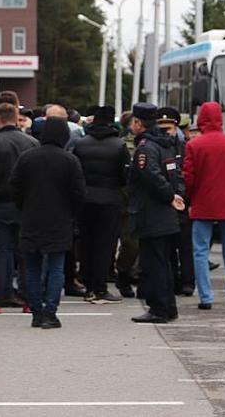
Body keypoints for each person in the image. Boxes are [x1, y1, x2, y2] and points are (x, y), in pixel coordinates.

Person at [10, 117, 85, 328]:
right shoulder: (69, 160)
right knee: (56, 267)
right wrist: (72, 213)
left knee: (32, 267)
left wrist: (24, 205)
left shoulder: (27, 158)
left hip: (31, 217)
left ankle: (36, 311)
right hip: (60, 219)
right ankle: (50, 311)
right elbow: (79, 193)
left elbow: (14, 186)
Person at [0, 102, 39, 314]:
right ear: (16, 117)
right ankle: (30, 301)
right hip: (26, 205)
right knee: (26, 255)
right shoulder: (31, 143)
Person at [184, 101, 225, 310]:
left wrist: (192, 200)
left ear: (201, 119)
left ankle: (206, 297)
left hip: (202, 203)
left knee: (200, 251)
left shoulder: (194, 145)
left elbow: (189, 178)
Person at [128, 103, 185, 323]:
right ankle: (168, 306)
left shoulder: (145, 147)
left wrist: (170, 196)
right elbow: (176, 173)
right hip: (166, 214)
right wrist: (176, 195)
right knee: (164, 263)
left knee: (154, 264)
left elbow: (150, 176)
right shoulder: (166, 143)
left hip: (150, 212)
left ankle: (159, 309)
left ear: (138, 123)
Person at [72, 106, 130, 304]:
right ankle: (100, 287)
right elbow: (125, 177)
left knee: (86, 243)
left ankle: (87, 285)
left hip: (85, 199)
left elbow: (76, 172)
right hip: (110, 199)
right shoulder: (119, 145)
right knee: (105, 245)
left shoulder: (81, 144)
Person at [157, 107, 194, 296]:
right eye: (161, 127)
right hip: (164, 202)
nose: (166, 132)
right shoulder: (157, 148)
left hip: (183, 202)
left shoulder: (185, 147)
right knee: (168, 246)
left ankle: (188, 281)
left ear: (176, 127)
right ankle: (173, 281)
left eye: (169, 128)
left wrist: (182, 196)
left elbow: (188, 174)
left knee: (185, 245)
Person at [115, 110, 140, 298]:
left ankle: (128, 272)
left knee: (135, 243)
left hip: (140, 199)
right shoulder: (121, 143)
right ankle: (122, 274)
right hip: (122, 198)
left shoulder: (150, 142)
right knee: (129, 242)